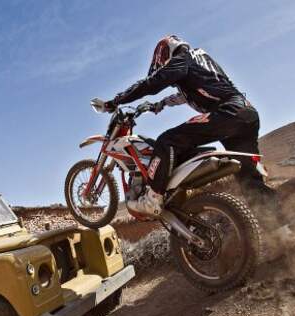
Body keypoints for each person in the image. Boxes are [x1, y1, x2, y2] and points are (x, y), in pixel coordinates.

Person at [103, 35, 276, 216]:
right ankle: (281, 225)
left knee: (167, 141)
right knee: (249, 180)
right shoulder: (199, 61)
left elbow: (152, 83)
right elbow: (185, 95)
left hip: (228, 112)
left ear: (166, 51)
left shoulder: (182, 58)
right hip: (246, 114)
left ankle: (152, 199)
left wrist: (117, 100)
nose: (162, 64)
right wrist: (158, 105)